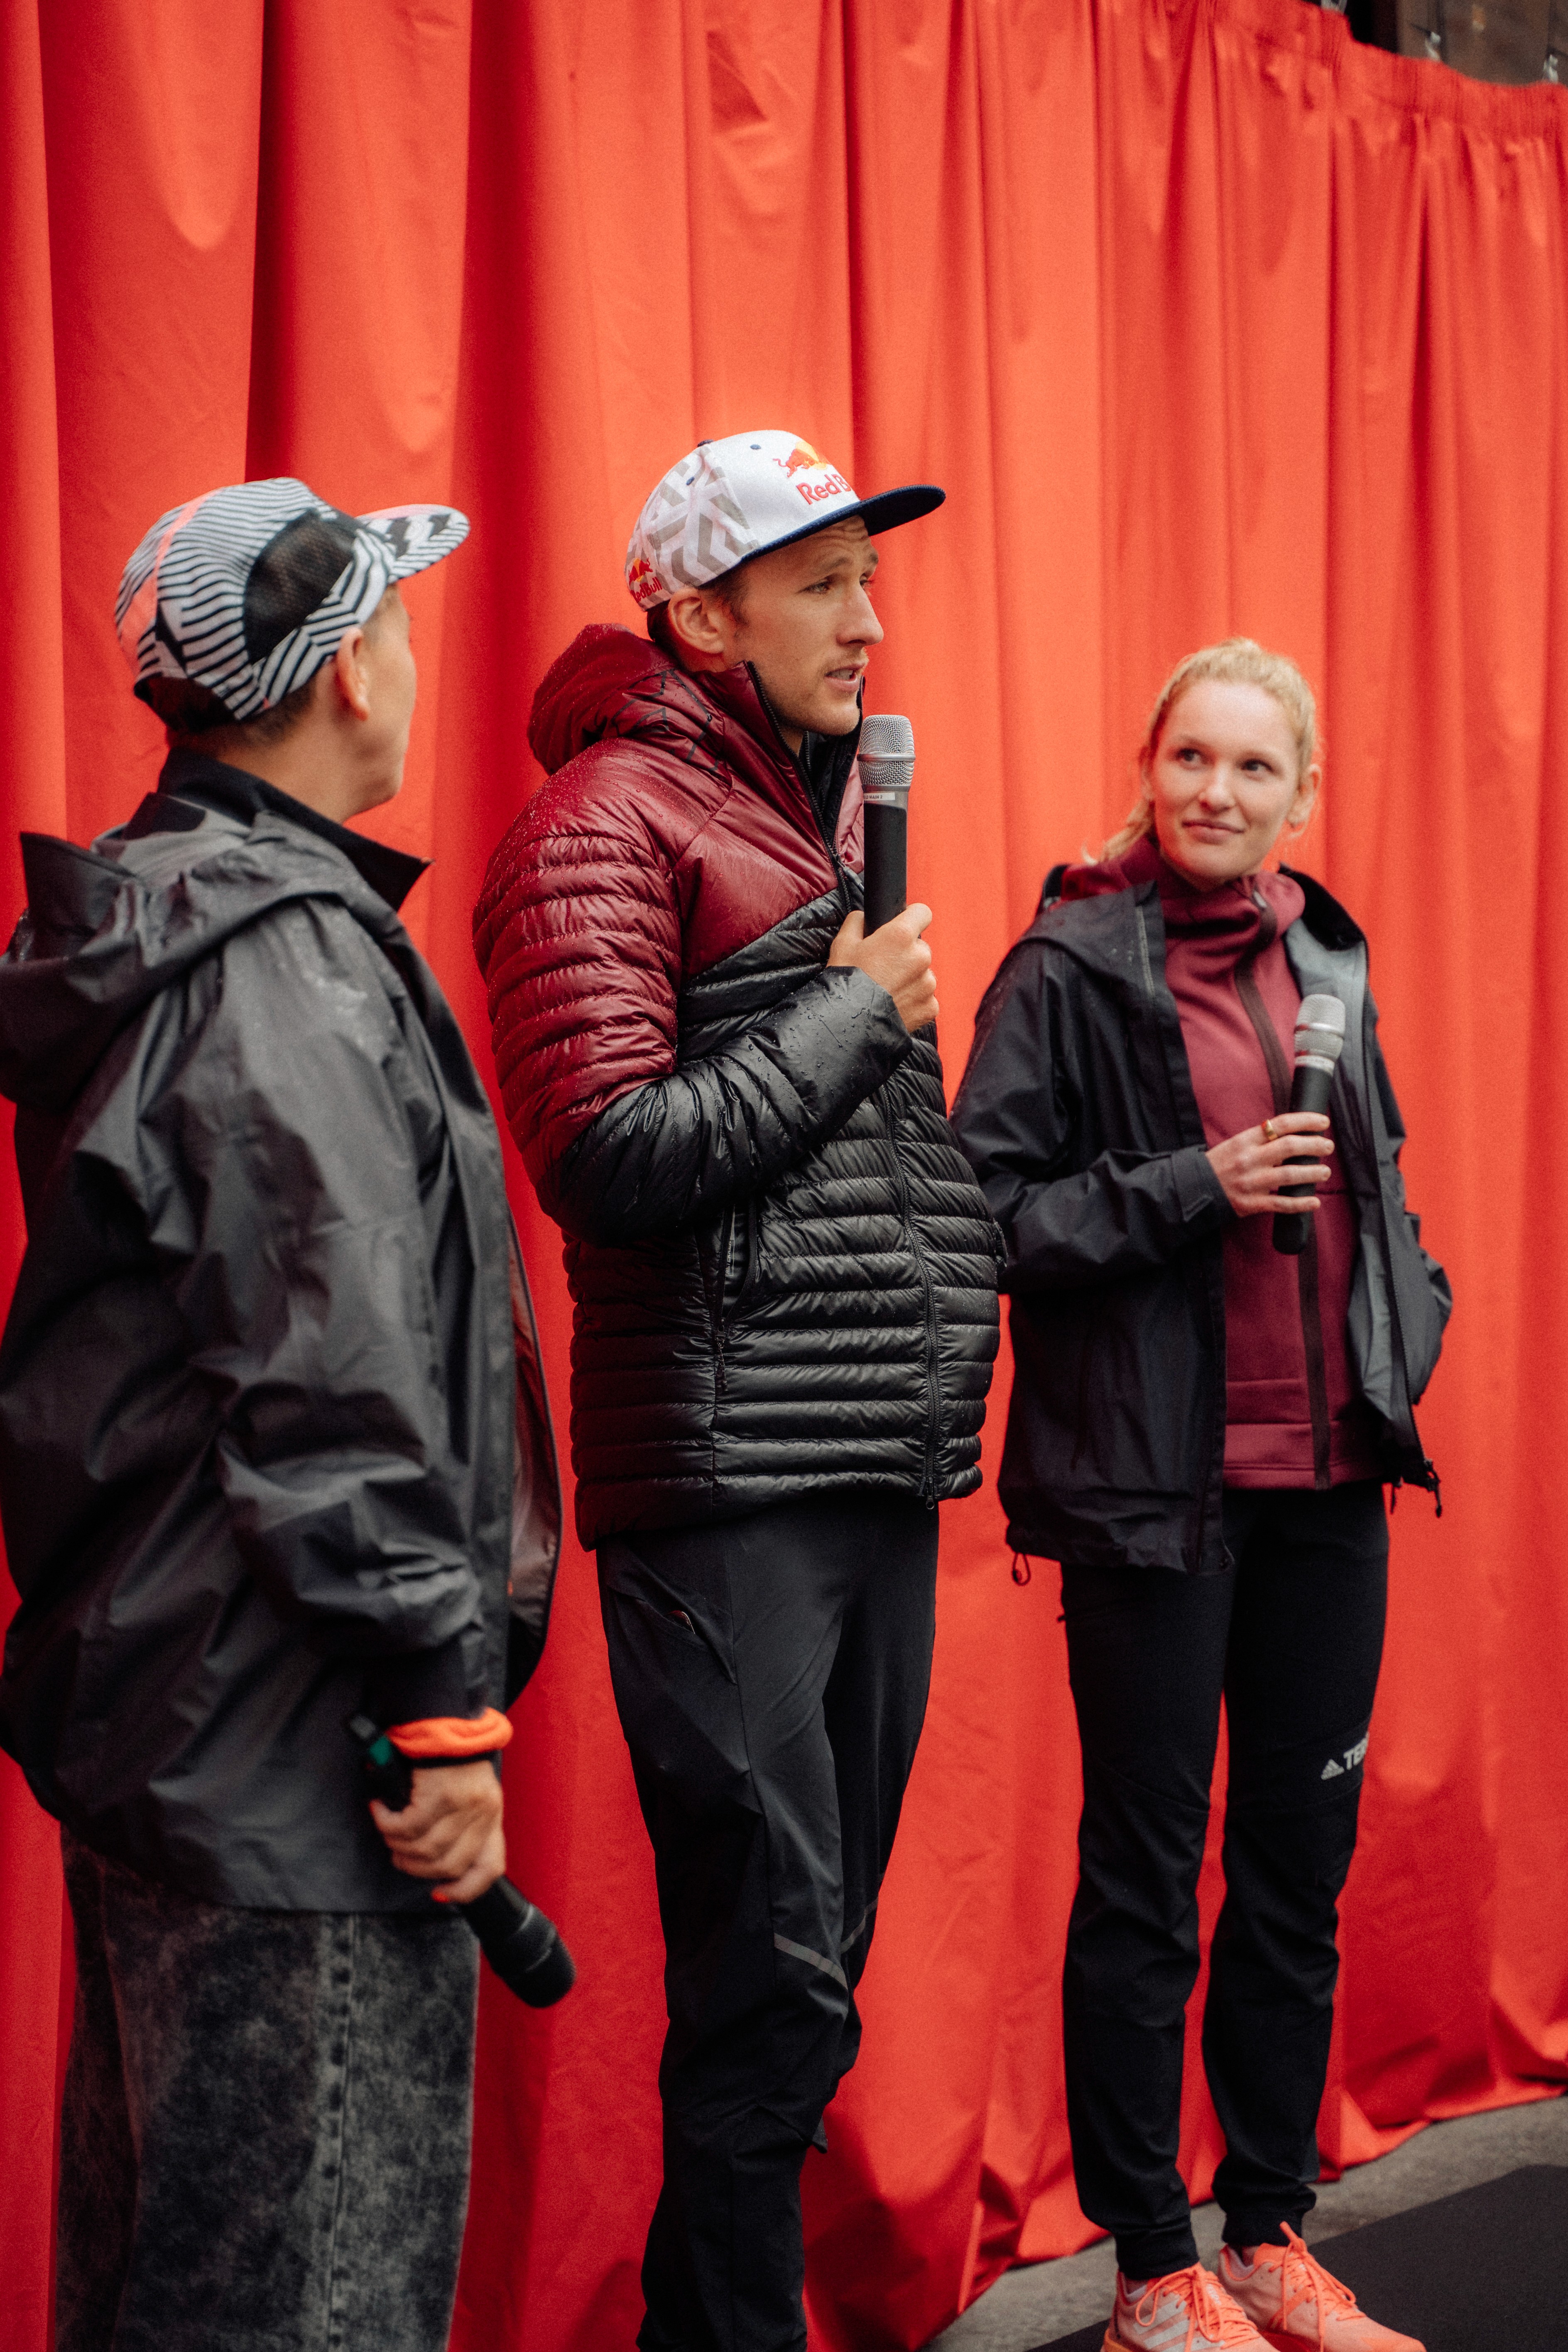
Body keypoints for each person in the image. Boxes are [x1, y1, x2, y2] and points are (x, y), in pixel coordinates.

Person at [0, 478, 561, 2352]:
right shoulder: (281, 965)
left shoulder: (178, 925)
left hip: (190, 1732)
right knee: (305, 2299)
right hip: (300, 1764)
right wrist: (437, 1702)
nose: (416, 660)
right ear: (338, 678)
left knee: (180, 2273)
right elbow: (329, 1370)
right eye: (393, 622)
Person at [473, 430, 1000, 2350]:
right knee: (772, 1981)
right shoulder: (600, 822)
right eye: (822, 585)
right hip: (728, 1485)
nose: (868, 623)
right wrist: (859, 1005)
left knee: (811, 1983)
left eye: (872, 580)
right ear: (699, 615)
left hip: (861, 1456)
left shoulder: (801, 819)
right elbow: (606, 1150)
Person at [953, 640, 1448, 2352]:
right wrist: (1193, 1182)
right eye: (1190, 759)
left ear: (1296, 796)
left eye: (1251, 768)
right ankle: (1149, 2271)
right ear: (1146, 767)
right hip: (1149, 1502)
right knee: (1144, 1881)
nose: (1214, 793)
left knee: (1294, 1866)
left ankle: (1264, 2237)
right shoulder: (1069, 962)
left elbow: (1381, 1186)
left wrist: (1407, 1337)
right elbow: (983, 1215)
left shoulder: (1328, 955)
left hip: (1325, 1493)